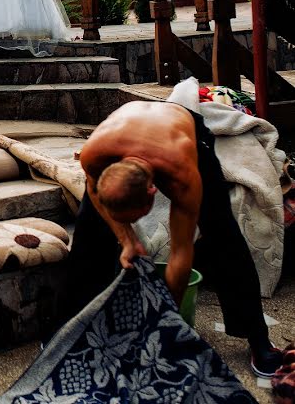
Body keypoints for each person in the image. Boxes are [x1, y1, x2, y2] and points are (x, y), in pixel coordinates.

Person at [64, 100, 282, 378]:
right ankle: (69, 328)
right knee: (88, 228)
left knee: (222, 231)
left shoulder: (182, 176)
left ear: (155, 192)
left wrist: (166, 325)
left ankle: (259, 340)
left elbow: (181, 252)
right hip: (124, 129)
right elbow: (96, 194)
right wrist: (127, 239)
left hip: (182, 132)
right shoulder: (93, 156)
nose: (132, 224)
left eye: (135, 218)